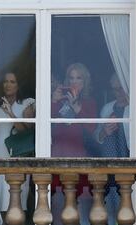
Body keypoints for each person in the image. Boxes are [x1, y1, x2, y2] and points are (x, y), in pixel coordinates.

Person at [51, 63, 97, 224]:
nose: (74, 81)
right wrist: (54, 101)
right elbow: (44, 128)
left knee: (82, 210)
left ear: (85, 83)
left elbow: (92, 129)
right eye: (71, 77)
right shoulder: (58, 101)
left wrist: (77, 108)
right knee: (57, 206)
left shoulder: (89, 103)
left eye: (78, 78)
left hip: (80, 159)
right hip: (57, 158)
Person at [0, 72, 35, 220]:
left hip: (18, 154)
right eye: (5, 81)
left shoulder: (26, 104)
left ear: (18, 85)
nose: (8, 85)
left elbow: (27, 131)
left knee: (16, 199)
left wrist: (11, 114)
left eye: (12, 81)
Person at [94, 74, 130, 225]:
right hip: (110, 166)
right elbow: (96, 136)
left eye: (121, 89)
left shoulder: (135, 108)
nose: (119, 93)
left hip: (129, 162)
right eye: (115, 90)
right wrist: (104, 132)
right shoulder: (107, 108)